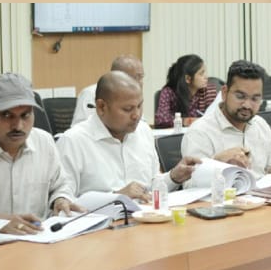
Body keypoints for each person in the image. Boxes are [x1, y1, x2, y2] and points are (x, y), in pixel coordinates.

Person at [58, 71, 201, 201]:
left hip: (145, 216)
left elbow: (151, 187)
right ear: (101, 107)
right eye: (128, 109)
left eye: (139, 106)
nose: (136, 115)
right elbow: (64, 204)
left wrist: (173, 177)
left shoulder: (143, 131)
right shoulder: (73, 141)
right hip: (103, 221)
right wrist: (116, 197)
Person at [0, 72, 76, 234]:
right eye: (7, 115)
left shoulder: (44, 142)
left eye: (25, 115)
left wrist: (60, 199)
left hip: (38, 240)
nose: (18, 126)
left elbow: (61, 185)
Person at [180, 60, 271, 176]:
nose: (247, 105)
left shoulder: (261, 125)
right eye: (240, 96)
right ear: (224, 93)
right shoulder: (200, 131)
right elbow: (191, 181)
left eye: (255, 99)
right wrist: (216, 163)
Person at [71, 55, 144, 127]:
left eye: (141, 77)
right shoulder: (91, 93)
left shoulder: (135, 96)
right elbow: (79, 126)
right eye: (137, 77)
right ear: (119, 75)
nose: (141, 82)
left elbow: (140, 124)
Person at [154, 54, 217, 128]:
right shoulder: (169, 92)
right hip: (177, 133)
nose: (206, 77)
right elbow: (160, 119)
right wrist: (187, 121)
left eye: (205, 72)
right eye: (201, 74)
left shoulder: (208, 90)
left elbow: (214, 119)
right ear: (188, 79)